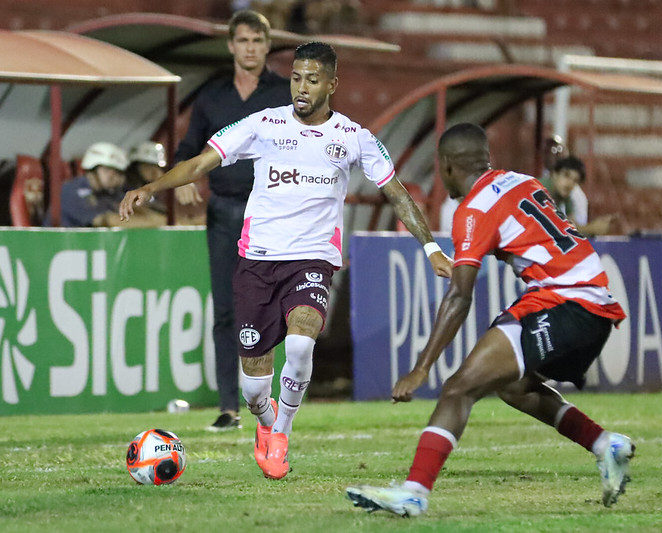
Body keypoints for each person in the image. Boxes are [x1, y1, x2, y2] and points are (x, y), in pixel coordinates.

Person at [120, 41, 453, 480]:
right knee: (254, 388)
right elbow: (201, 163)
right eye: (296, 78)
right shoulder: (263, 124)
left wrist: (430, 247)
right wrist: (152, 188)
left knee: (299, 344)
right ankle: (266, 420)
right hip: (258, 262)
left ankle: (281, 434)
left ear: (332, 84)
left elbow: (396, 193)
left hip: (312, 260)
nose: (301, 87)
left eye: (312, 80)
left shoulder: (353, 137)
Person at [346, 123, 633, 517]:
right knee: (514, 387)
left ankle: (414, 493)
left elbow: (460, 295)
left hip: (568, 302)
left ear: (447, 166)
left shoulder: (474, 209)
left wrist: (421, 367)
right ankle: (605, 444)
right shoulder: (522, 181)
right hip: (594, 305)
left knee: (458, 389)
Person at [174, 10, 292, 432]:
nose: (250, 48)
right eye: (243, 40)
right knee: (226, 310)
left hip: (272, 211)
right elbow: (188, 148)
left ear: (267, 46)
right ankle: (229, 406)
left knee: (275, 308)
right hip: (224, 211)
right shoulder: (211, 97)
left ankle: (276, 400)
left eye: (258, 41)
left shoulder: (283, 93)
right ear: (231, 45)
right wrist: (184, 177)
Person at [43, 142, 159, 228]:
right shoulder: (72, 191)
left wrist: (155, 216)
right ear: (92, 168)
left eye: (118, 172)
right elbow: (107, 221)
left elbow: (133, 209)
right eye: (107, 170)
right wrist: (159, 222)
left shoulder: (108, 193)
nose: (113, 176)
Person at [542, 155, 616, 236]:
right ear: (554, 174)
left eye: (575, 180)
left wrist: (596, 226)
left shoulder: (564, 196)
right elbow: (555, 230)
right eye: (566, 175)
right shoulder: (542, 189)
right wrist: (592, 229)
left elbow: (572, 227)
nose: (570, 183)